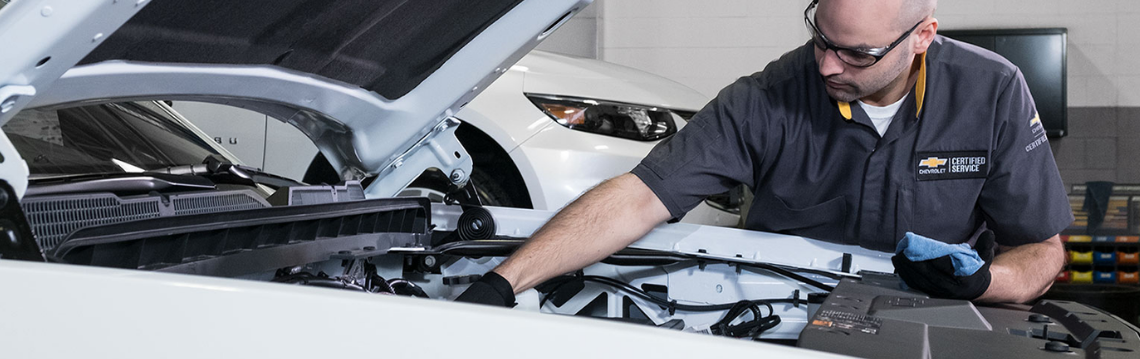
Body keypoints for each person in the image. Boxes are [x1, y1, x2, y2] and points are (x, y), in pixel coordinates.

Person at [457, 0, 1072, 305]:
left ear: (922, 37)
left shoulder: (992, 92)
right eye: (820, 38)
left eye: (856, 54)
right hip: (786, 311)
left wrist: (986, 282)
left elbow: (1042, 251)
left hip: (931, 314)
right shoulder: (769, 95)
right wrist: (503, 284)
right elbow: (640, 196)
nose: (827, 66)